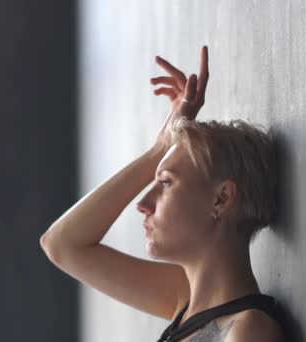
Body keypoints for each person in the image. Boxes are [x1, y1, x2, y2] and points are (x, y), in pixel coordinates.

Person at [40, 46, 286, 341]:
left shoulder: (246, 330)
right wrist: (158, 150)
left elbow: (63, 246)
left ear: (220, 199)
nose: (143, 204)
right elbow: (61, 244)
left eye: (166, 183)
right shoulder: (185, 301)